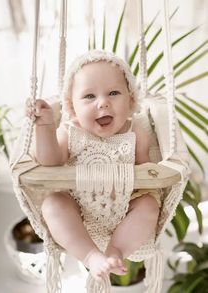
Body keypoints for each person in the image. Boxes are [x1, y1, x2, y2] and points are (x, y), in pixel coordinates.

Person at [26, 50, 160, 281]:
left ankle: (115, 251)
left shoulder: (135, 131)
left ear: (130, 99)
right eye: (89, 96)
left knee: (148, 206)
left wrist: (148, 177)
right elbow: (50, 160)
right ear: (71, 105)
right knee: (53, 204)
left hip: (126, 204)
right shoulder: (70, 130)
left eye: (114, 93)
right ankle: (90, 256)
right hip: (77, 204)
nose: (103, 103)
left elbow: (147, 173)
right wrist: (45, 126)